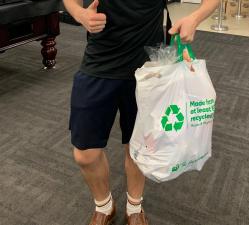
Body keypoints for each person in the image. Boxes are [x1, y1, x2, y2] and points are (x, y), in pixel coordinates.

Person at [63, 0, 219, 224]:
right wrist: (79, 14)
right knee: (85, 154)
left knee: (141, 146)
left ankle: (134, 207)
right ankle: (104, 205)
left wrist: (194, 18)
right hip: (99, 62)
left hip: (148, 71)